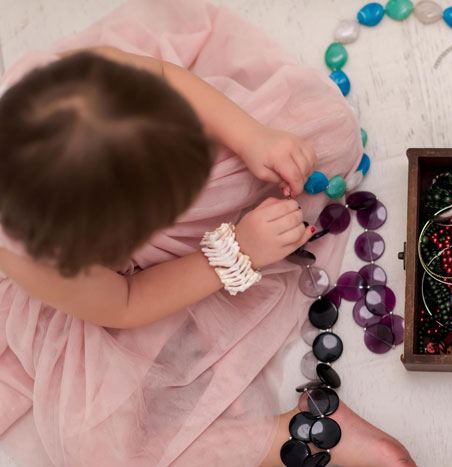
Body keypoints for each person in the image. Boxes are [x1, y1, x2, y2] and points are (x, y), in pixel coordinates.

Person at [0, 1, 416, 466]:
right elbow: (125, 301)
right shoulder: (32, 255)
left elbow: (164, 78)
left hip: (176, 184)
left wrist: (251, 136)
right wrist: (236, 252)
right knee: (97, 447)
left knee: (326, 130)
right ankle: (297, 433)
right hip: (117, 291)